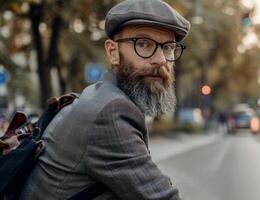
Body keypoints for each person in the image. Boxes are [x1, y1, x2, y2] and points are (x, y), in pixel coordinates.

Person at [20, 0, 190, 199]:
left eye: (168, 47)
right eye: (143, 44)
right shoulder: (110, 112)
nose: (161, 60)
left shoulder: (102, 96)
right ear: (113, 52)